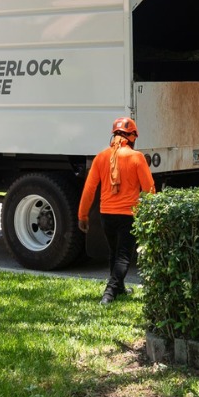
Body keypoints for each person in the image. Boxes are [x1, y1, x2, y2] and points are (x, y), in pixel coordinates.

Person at [79, 117, 156, 304]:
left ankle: (119, 288)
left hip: (106, 214)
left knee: (114, 252)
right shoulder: (136, 157)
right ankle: (110, 292)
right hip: (128, 215)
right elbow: (149, 189)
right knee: (123, 255)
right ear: (132, 137)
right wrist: (154, 213)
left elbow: (89, 189)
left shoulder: (101, 157)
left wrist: (83, 215)